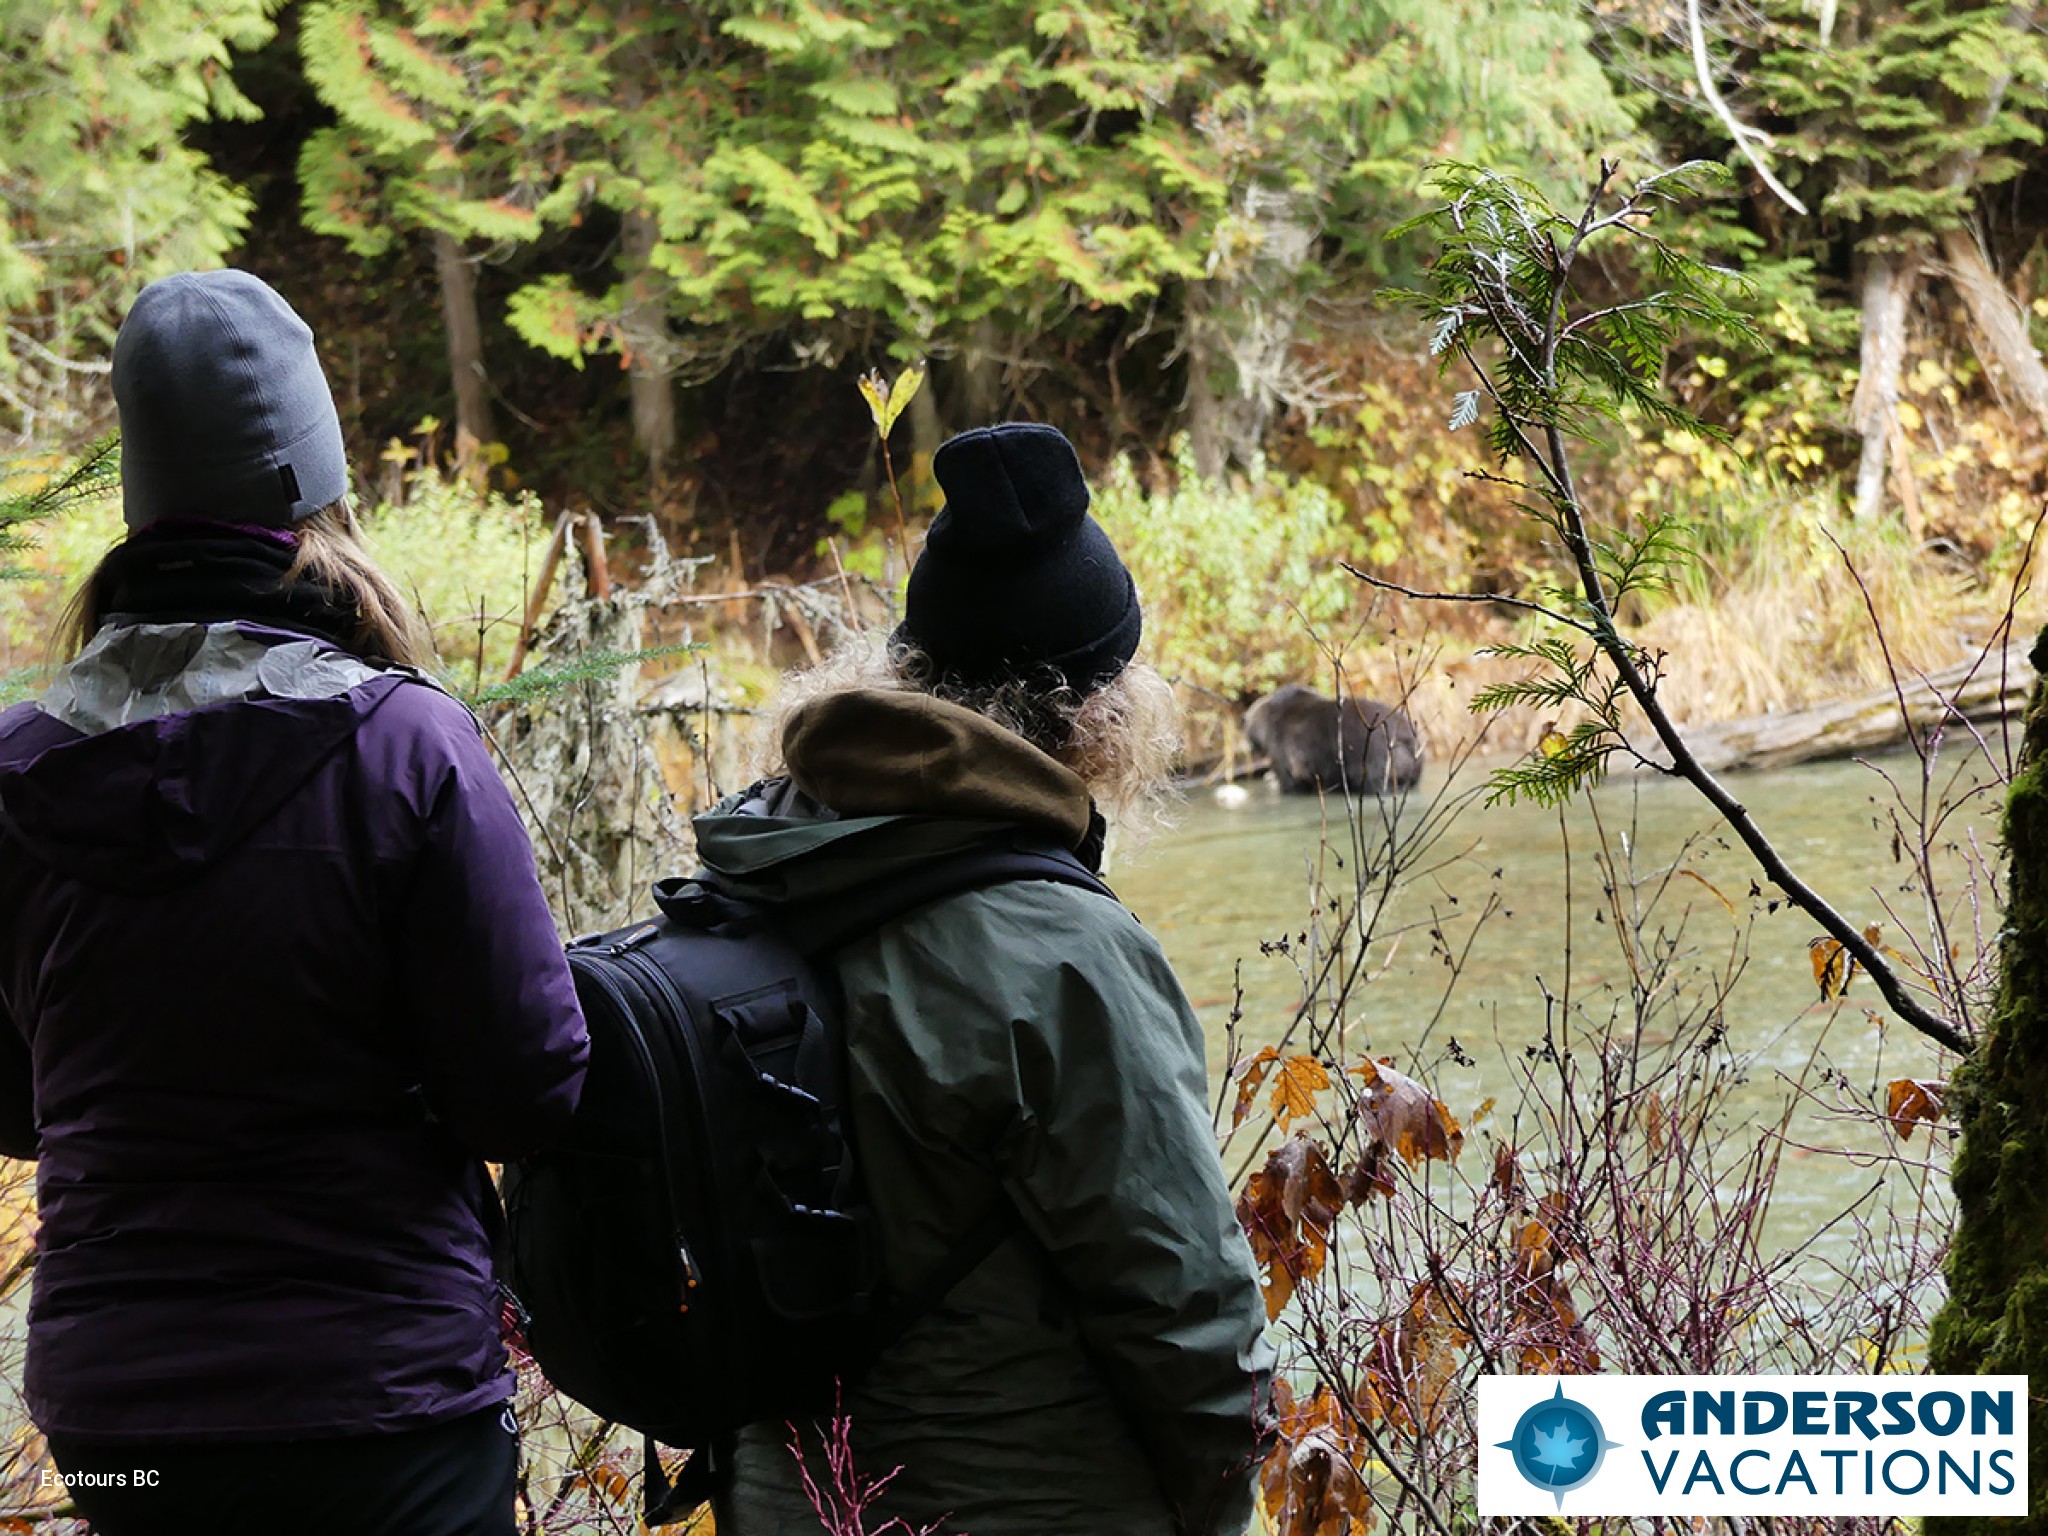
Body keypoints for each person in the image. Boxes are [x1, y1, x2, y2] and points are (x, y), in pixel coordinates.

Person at [0, 270, 589, 1536]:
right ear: (321, 492)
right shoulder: (406, 744)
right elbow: (525, 1085)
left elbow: (11, 1103)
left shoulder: (17, 768)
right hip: (380, 1399)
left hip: (119, 1424)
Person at [702, 421, 1273, 1536]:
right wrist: (1219, 1506)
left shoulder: (754, 864)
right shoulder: (1060, 951)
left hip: (777, 1498)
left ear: (906, 669)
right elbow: (1183, 1307)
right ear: (1097, 707)